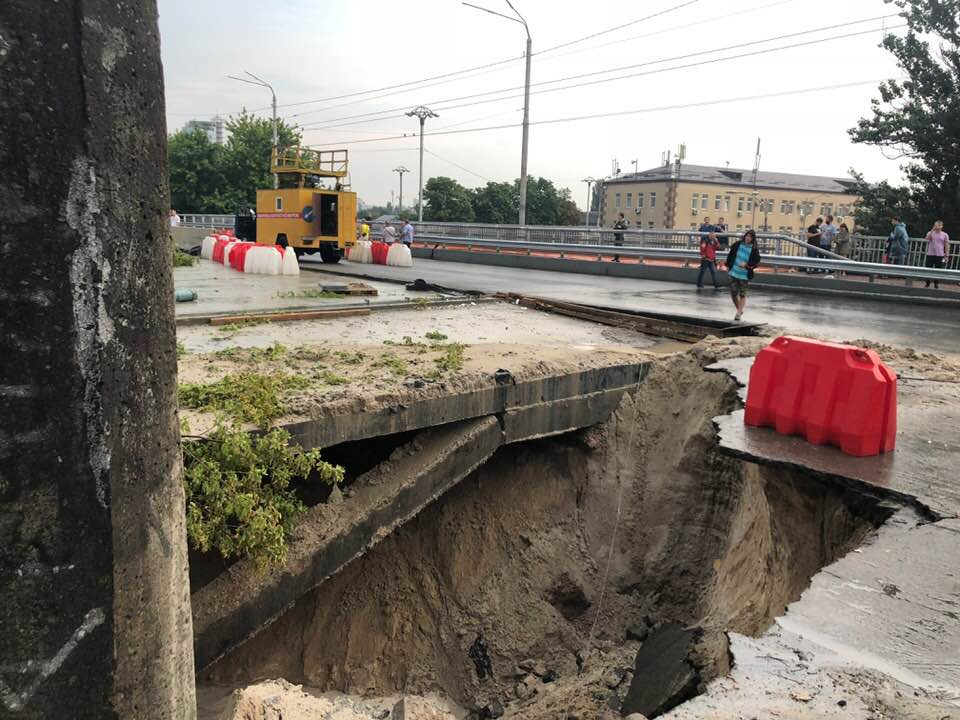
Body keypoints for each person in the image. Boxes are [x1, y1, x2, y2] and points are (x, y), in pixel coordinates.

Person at [724, 229, 761, 321]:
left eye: (750, 237)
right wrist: (728, 265)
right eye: (747, 236)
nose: (748, 238)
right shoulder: (738, 244)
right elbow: (731, 254)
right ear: (744, 236)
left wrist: (747, 265)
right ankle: (739, 310)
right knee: (733, 293)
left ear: (753, 239)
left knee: (742, 294)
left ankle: (738, 313)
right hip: (734, 272)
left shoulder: (754, 248)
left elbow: (756, 261)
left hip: (744, 275)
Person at [923, 220, 950, 289]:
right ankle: (927, 283)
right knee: (928, 269)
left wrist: (946, 255)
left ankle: (936, 283)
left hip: (940, 255)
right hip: (930, 254)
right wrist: (932, 230)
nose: (937, 226)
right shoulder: (930, 233)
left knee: (938, 270)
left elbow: (947, 245)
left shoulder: (945, 234)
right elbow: (927, 239)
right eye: (935, 225)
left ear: (941, 226)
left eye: (938, 225)